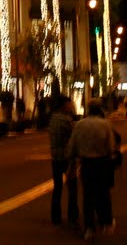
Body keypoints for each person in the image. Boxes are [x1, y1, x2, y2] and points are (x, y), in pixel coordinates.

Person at [67, 99, 116, 241]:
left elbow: (72, 146)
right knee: (103, 193)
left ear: (88, 109)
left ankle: (89, 227)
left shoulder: (80, 125)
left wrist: (72, 160)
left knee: (88, 196)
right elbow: (111, 147)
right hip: (102, 162)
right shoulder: (105, 124)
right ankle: (105, 222)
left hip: (86, 163)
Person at [47, 95, 79, 228]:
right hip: (67, 158)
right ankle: (73, 216)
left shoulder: (53, 118)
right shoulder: (66, 119)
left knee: (57, 187)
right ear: (63, 105)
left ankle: (55, 216)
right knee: (72, 188)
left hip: (55, 158)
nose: (70, 106)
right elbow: (74, 137)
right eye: (69, 104)